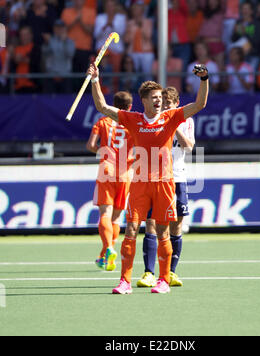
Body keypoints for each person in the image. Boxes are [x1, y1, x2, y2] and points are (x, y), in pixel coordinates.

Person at [87, 60, 209, 295]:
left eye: (160, 97)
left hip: (164, 184)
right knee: (131, 229)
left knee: (163, 232)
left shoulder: (172, 117)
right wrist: (95, 79)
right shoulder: (133, 119)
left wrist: (204, 79)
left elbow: (200, 103)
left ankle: (163, 280)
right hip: (140, 184)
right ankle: (125, 281)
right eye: (154, 97)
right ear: (143, 100)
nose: (158, 100)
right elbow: (102, 106)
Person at [137, 86, 195, 288]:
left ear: (177, 104)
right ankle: (149, 272)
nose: (165, 107)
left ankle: (170, 272)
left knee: (176, 225)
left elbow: (189, 147)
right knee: (151, 222)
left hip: (177, 177)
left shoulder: (186, 120)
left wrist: (175, 126)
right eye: (163, 103)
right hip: (156, 177)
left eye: (169, 104)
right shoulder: (155, 121)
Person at [86, 91, 135, 272]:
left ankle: (108, 248)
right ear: (130, 107)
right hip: (125, 174)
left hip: (107, 170)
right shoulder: (133, 123)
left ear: (113, 105)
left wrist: (104, 152)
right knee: (116, 217)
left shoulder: (103, 121)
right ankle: (106, 253)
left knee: (105, 214)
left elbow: (91, 145)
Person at [61, 0, 96, 77]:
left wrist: (81, 22)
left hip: (84, 49)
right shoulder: (66, 12)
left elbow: (91, 31)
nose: (78, 1)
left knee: (84, 75)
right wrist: (74, 21)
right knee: (70, 76)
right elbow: (62, 30)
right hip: (69, 49)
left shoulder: (90, 12)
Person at [42, 19, 75, 94]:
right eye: (57, 27)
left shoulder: (70, 41)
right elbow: (44, 53)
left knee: (66, 101)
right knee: (49, 101)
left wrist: (64, 42)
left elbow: (70, 54)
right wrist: (47, 43)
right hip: (51, 76)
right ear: (54, 29)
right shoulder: (49, 40)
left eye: (61, 27)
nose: (59, 30)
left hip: (65, 76)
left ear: (64, 29)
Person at [124, 0, 154, 82]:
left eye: (138, 9)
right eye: (134, 9)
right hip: (133, 52)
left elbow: (148, 37)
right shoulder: (130, 23)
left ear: (142, 10)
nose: (136, 11)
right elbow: (126, 39)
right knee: (133, 76)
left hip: (146, 52)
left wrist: (140, 26)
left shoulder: (148, 22)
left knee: (147, 76)